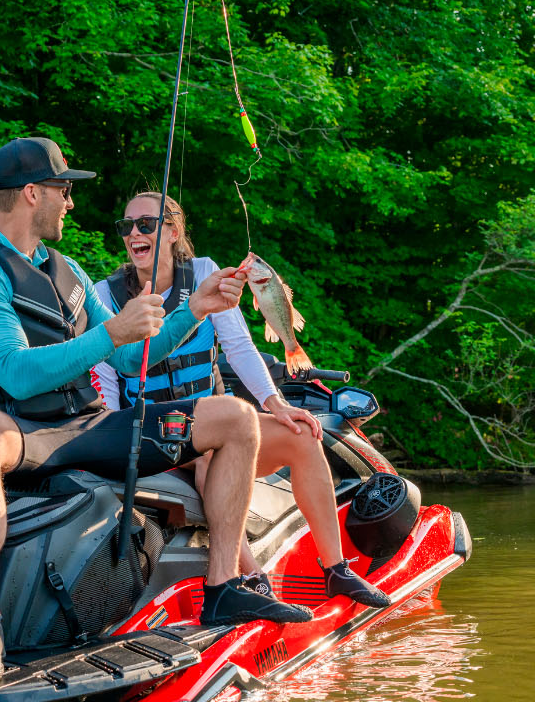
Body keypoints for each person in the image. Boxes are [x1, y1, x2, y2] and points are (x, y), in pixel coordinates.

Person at [0, 137, 314, 686]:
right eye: (64, 190)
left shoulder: (67, 271)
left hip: (89, 425)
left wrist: (195, 309)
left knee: (234, 416)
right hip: (22, 433)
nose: (70, 203)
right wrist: (112, 331)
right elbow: (16, 373)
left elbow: (129, 355)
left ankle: (223, 588)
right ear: (32, 193)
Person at [91, 192, 392, 609]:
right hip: (157, 435)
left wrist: (276, 404)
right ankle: (253, 580)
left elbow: (239, 346)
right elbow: (105, 381)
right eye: (127, 226)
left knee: (303, 436)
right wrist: (107, 439)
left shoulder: (204, 273)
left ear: (174, 232)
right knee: (211, 455)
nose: (134, 234)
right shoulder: (103, 295)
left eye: (146, 224)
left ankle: (336, 569)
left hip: (220, 421)